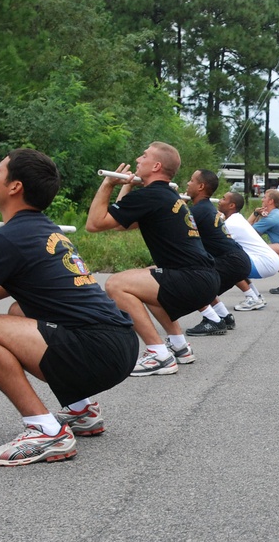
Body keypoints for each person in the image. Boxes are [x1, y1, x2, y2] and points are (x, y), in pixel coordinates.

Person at [0, 149, 136, 466]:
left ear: (14, 186)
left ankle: (46, 431)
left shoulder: (10, 239)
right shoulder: (43, 229)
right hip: (118, 346)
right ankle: (82, 410)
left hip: (95, 352)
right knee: (18, 313)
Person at [87, 142, 220, 376]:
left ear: (156, 165)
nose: (138, 159)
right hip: (204, 279)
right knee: (146, 278)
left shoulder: (151, 196)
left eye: (144, 156)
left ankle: (158, 354)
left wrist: (108, 183)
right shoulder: (165, 195)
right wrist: (126, 187)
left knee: (116, 284)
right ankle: (179, 345)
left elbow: (94, 224)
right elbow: (118, 224)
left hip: (192, 279)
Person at [182, 169, 251, 336]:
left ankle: (212, 320)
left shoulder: (198, 211)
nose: (187, 184)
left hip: (231, 260)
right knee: (204, 279)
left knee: (191, 281)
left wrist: (175, 205)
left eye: (191, 180)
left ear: (201, 186)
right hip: (238, 259)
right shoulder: (205, 208)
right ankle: (224, 317)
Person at [217, 190, 279, 311]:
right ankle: (256, 296)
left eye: (223, 198)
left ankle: (252, 298)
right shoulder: (237, 219)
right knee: (236, 261)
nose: (220, 201)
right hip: (269, 261)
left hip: (265, 263)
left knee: (228, 265)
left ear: (232, 205)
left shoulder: (231, 224)